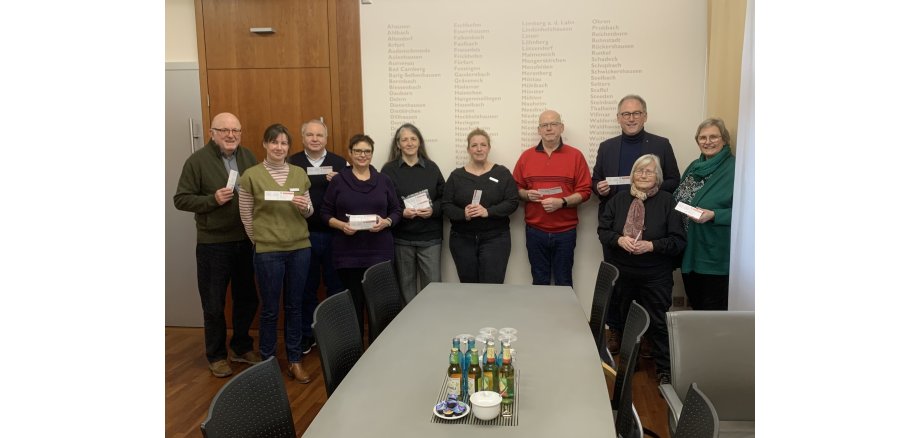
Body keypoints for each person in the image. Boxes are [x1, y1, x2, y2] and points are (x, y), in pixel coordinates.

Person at [173, 112, 261, 378]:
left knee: (247, 298)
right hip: (213, 244)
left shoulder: (248, 157)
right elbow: (181, 199)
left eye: (235, 130)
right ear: (212, 133)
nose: (231, 135)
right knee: (213, 303)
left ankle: (241, 347)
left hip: (246, 240)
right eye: (224, 130)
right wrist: (212, 199)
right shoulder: (197, 161)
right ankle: (216, 355)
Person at [592, 94, 679, 355]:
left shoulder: (661, 145)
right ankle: (618, 333)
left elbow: (674, 180)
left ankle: (649, 341)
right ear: (618, 118)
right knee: (619, 290)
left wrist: (650, 191)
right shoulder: (607, 146)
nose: (631, 118)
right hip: (617, 229)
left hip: (654, 231)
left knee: (651, 295)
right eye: (626, 114)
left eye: (636, 113)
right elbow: (595, 182)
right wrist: (600, 188)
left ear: (645, 116)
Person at [597, 154, 686, 385]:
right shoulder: (618, 200)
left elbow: (678, 241)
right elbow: (603, 231)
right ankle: (629, 364)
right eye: (639, 171)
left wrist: (652, 245)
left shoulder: (669, 202)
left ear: (658, 176)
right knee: (626, 321)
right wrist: (618, 240)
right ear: (632, 175)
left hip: (656, 274)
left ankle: (665, 371)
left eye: (649, 171)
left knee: (658, 323)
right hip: (624, 272)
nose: (644, 175)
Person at [238, 123, 313, 383]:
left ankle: (294, 361)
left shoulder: (299, 173)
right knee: (270, 309)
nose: (279, 147)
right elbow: (246, 214)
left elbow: (309, 211)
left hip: (299, 248)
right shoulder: (250, 175)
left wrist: (304, 207)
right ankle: (267, 363)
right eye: (274, 142)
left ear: (288, 147)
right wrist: (260, 241)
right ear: (265, 144)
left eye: (283, 143)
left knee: (295, 306)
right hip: (267, 251)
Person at [321, 134, 401, 342]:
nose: (363, 155)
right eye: (358, 151)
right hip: (348, 254)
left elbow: (396, 210)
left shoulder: (384, 180)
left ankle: (378, 349)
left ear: (372, 154)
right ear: (350, 153)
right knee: (353, 304)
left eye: (367, 151)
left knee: (379, 305)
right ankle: (355, 351)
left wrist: (386, 222)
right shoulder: (339, 181)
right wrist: (341, 225)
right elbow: (324, 213)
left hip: (379, 252)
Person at [512, 110, 592, 287]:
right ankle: (540, 316)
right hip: (535, 231)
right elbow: (515, 188)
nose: (549, 129)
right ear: (539, 130)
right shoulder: (526, 157)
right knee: (539, 281)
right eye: (544, 125)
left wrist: (562, 202)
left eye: (553, 124)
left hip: (565, 232)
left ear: (561, 128)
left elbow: (586, 191)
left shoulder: (576, 156)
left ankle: (564, 316)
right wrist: (526, 194)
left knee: (564, 281)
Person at [289, 119, 348, 355]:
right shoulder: (292, 161)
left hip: (335, 234)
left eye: (319, 135)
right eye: (310, 135)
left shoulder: (339, 162)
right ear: (303, 138)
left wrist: (340, 182)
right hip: (303, 234)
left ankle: (335, 337)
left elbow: (349, 194)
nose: (315, 139)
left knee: (335, 287)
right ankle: (307, 335)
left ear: (326, 138)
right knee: (306, 287)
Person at [673, 118, 736, 311]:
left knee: (712, 311)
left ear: (724, 139)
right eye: (703, 137)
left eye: (714, 137)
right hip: (690, 250)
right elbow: (678, 197)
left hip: (714, 255)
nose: (708, 141)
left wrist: (715, 215)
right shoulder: (694, 166)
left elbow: (750, 213)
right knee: (696, 305)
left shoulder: (735, 168)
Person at [442, 128, 520, 283]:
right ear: (468, 149)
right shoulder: (456, 176)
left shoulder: (502, 173)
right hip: (462, 239)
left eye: (483, 145)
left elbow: (512, 201)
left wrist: (488, 212)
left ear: (489, 148)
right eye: (474, 145)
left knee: (492, 287)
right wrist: (463, 214)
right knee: (469, 287)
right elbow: (446, 205)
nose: (479, 149)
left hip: (496, 238)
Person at [381, 123, 445, 301]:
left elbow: (445, 200)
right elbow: (382, 202)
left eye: (413, 139)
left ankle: (432, 326)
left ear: (419, 142)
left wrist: (432, 210)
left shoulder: (432, 168)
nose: (409, 143)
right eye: (404, 139)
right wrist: (401, 213)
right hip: (401, 238)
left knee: (433, 290)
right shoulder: (388, 170)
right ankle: (409, 327)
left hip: (430, 238)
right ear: (398, 144)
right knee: (405, 289)